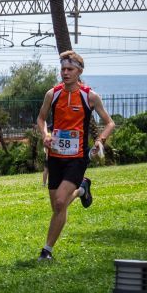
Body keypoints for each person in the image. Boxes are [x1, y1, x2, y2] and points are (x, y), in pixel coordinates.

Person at [35, 50, 115, 261]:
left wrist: (100, 140)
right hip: (55, 156)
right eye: (62, 69)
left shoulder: (90, 96)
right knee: (56, 206)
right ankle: (81, 190)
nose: (65, 73)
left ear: (79, 71)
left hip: (77, 157)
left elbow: (110, 123)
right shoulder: (53, 94)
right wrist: (45, 135)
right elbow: (41, 119)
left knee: (60, 203)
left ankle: (47, 251)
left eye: (69, 69)